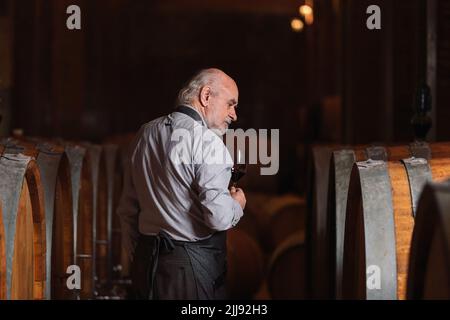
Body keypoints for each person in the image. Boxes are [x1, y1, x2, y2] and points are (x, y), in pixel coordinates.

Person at [117, 68, 246, 300]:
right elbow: (218, 218)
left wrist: (142, 258)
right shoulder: (209, 143)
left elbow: (127, 210)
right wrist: (237, 204)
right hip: (191, 271)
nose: (234, 115)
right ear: (206, 96)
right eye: (230, 104)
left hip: (146, 266)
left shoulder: (144, 134)